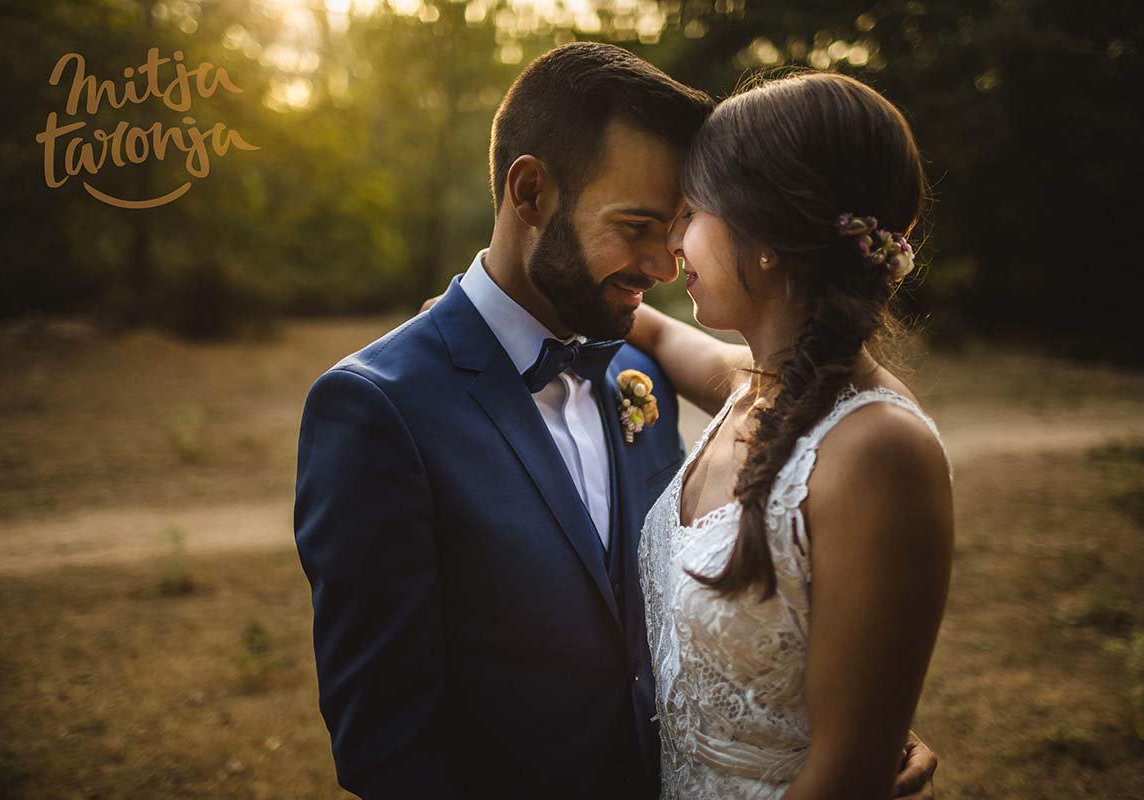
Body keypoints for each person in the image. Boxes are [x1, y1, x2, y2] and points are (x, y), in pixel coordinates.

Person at [296, 42, 938, 799]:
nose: (665, 264)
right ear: (530, 193)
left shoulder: (641, 369)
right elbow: (388, 748)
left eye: (680, 225)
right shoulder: (377, 410)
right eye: (637, 227)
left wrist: (829, 730)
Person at [627, 71, 955, 799]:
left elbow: (846, 773)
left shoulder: (878, 450)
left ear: (767, 235)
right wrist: (487, 310)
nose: (676, 239)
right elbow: (646, 326)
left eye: (694, 212)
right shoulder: (761, 380)